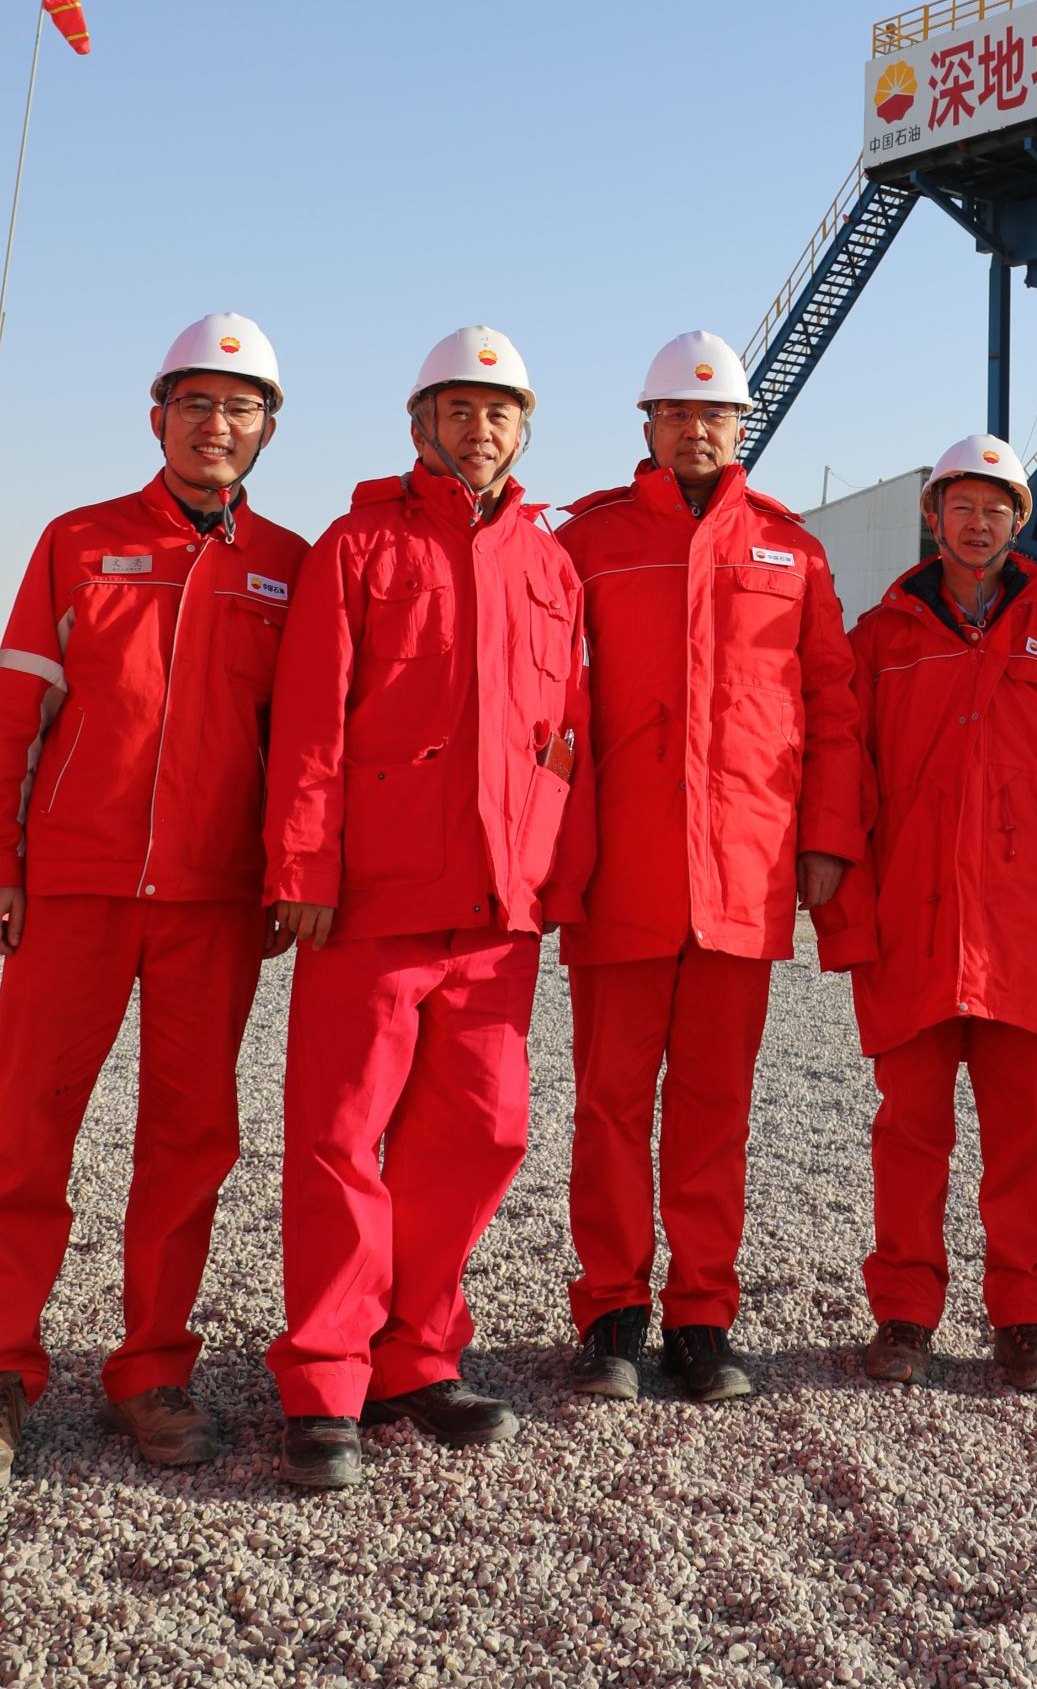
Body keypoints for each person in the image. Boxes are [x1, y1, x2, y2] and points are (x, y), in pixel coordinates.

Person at [0, 315, 305, 1495]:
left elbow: (302, 746)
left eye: (239, 407)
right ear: (158, 417)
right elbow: (14, 715)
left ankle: (151, 1370)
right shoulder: (78, 542)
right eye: (196, 403)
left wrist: (289, 873)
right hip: (74, 891)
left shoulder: (289, 567)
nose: (216, 425)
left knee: (190, 1144)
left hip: (212, 901)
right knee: (28, 1135)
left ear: (267, 429)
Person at [263, 328, 593, 1491]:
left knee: (480, 1134)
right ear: (420, 426)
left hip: (499, 906)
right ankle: (325, 1378)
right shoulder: (357, 546)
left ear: (522, 429)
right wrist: (303, 868)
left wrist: (559, 877)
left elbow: (566, 738)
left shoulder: (549, 566)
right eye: (459, 409)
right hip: (372, 899)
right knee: (340, 1138)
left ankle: (416, 1357)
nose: (479, 428)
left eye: (499, 411)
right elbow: (311, 716)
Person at [554, 329, 866, 1404]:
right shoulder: (586, 542)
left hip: (743, 866)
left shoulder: (792, 550)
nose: (697, 430)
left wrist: (824, 837)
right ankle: (609, 1312)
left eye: (716, 415)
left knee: (714, 1105)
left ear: (742, 427)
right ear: (647, 425)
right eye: (677, 414)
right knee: (608, 1100)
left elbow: (831, 705)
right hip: (620, 867)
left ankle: (701, 1317)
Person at [820, 434, 1037, 1394]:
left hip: (1025, 930)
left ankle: (1027, 1320)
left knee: (1024, 1133)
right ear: (933, 515)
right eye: (961, 505)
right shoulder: (879, 642)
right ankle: (905, 1315)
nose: (977, 522)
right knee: (908, 1130)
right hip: (911, 924)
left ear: (1020, 522)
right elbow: (843, 786)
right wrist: (846, 921)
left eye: (996, 507)